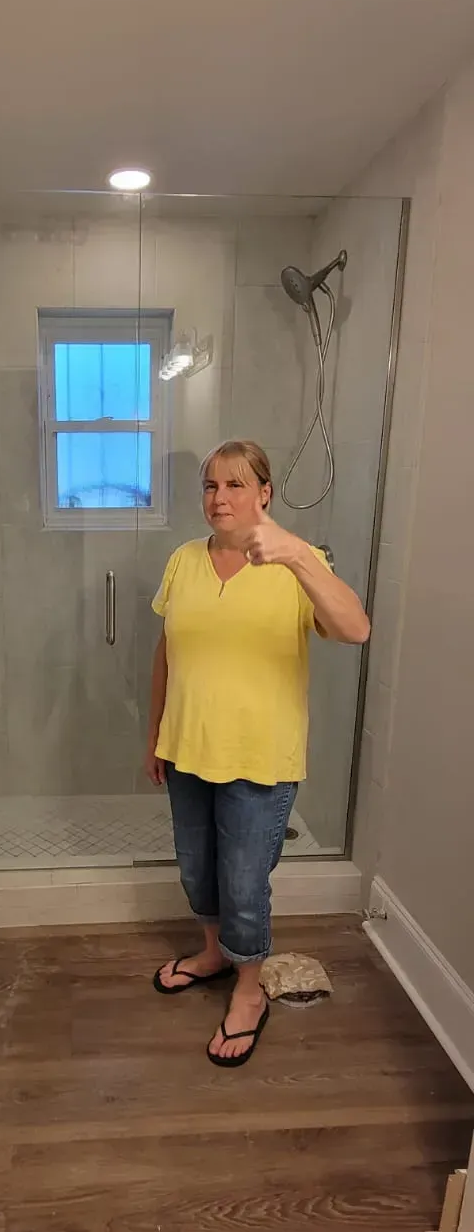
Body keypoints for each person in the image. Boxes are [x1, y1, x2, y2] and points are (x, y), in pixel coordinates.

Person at [145, 439, 370, 1069]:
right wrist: (155, 733)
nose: (221, 498)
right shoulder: (183, 560)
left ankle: (250, 991)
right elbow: (167, 651)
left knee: (244, 884)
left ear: (264, 494)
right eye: (212, 485)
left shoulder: (299, 562)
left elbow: (355, 629)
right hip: (188, 748)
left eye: (237, 485)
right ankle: (215, 954)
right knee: (198, 869)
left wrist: (299, 554)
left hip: (260, 757)